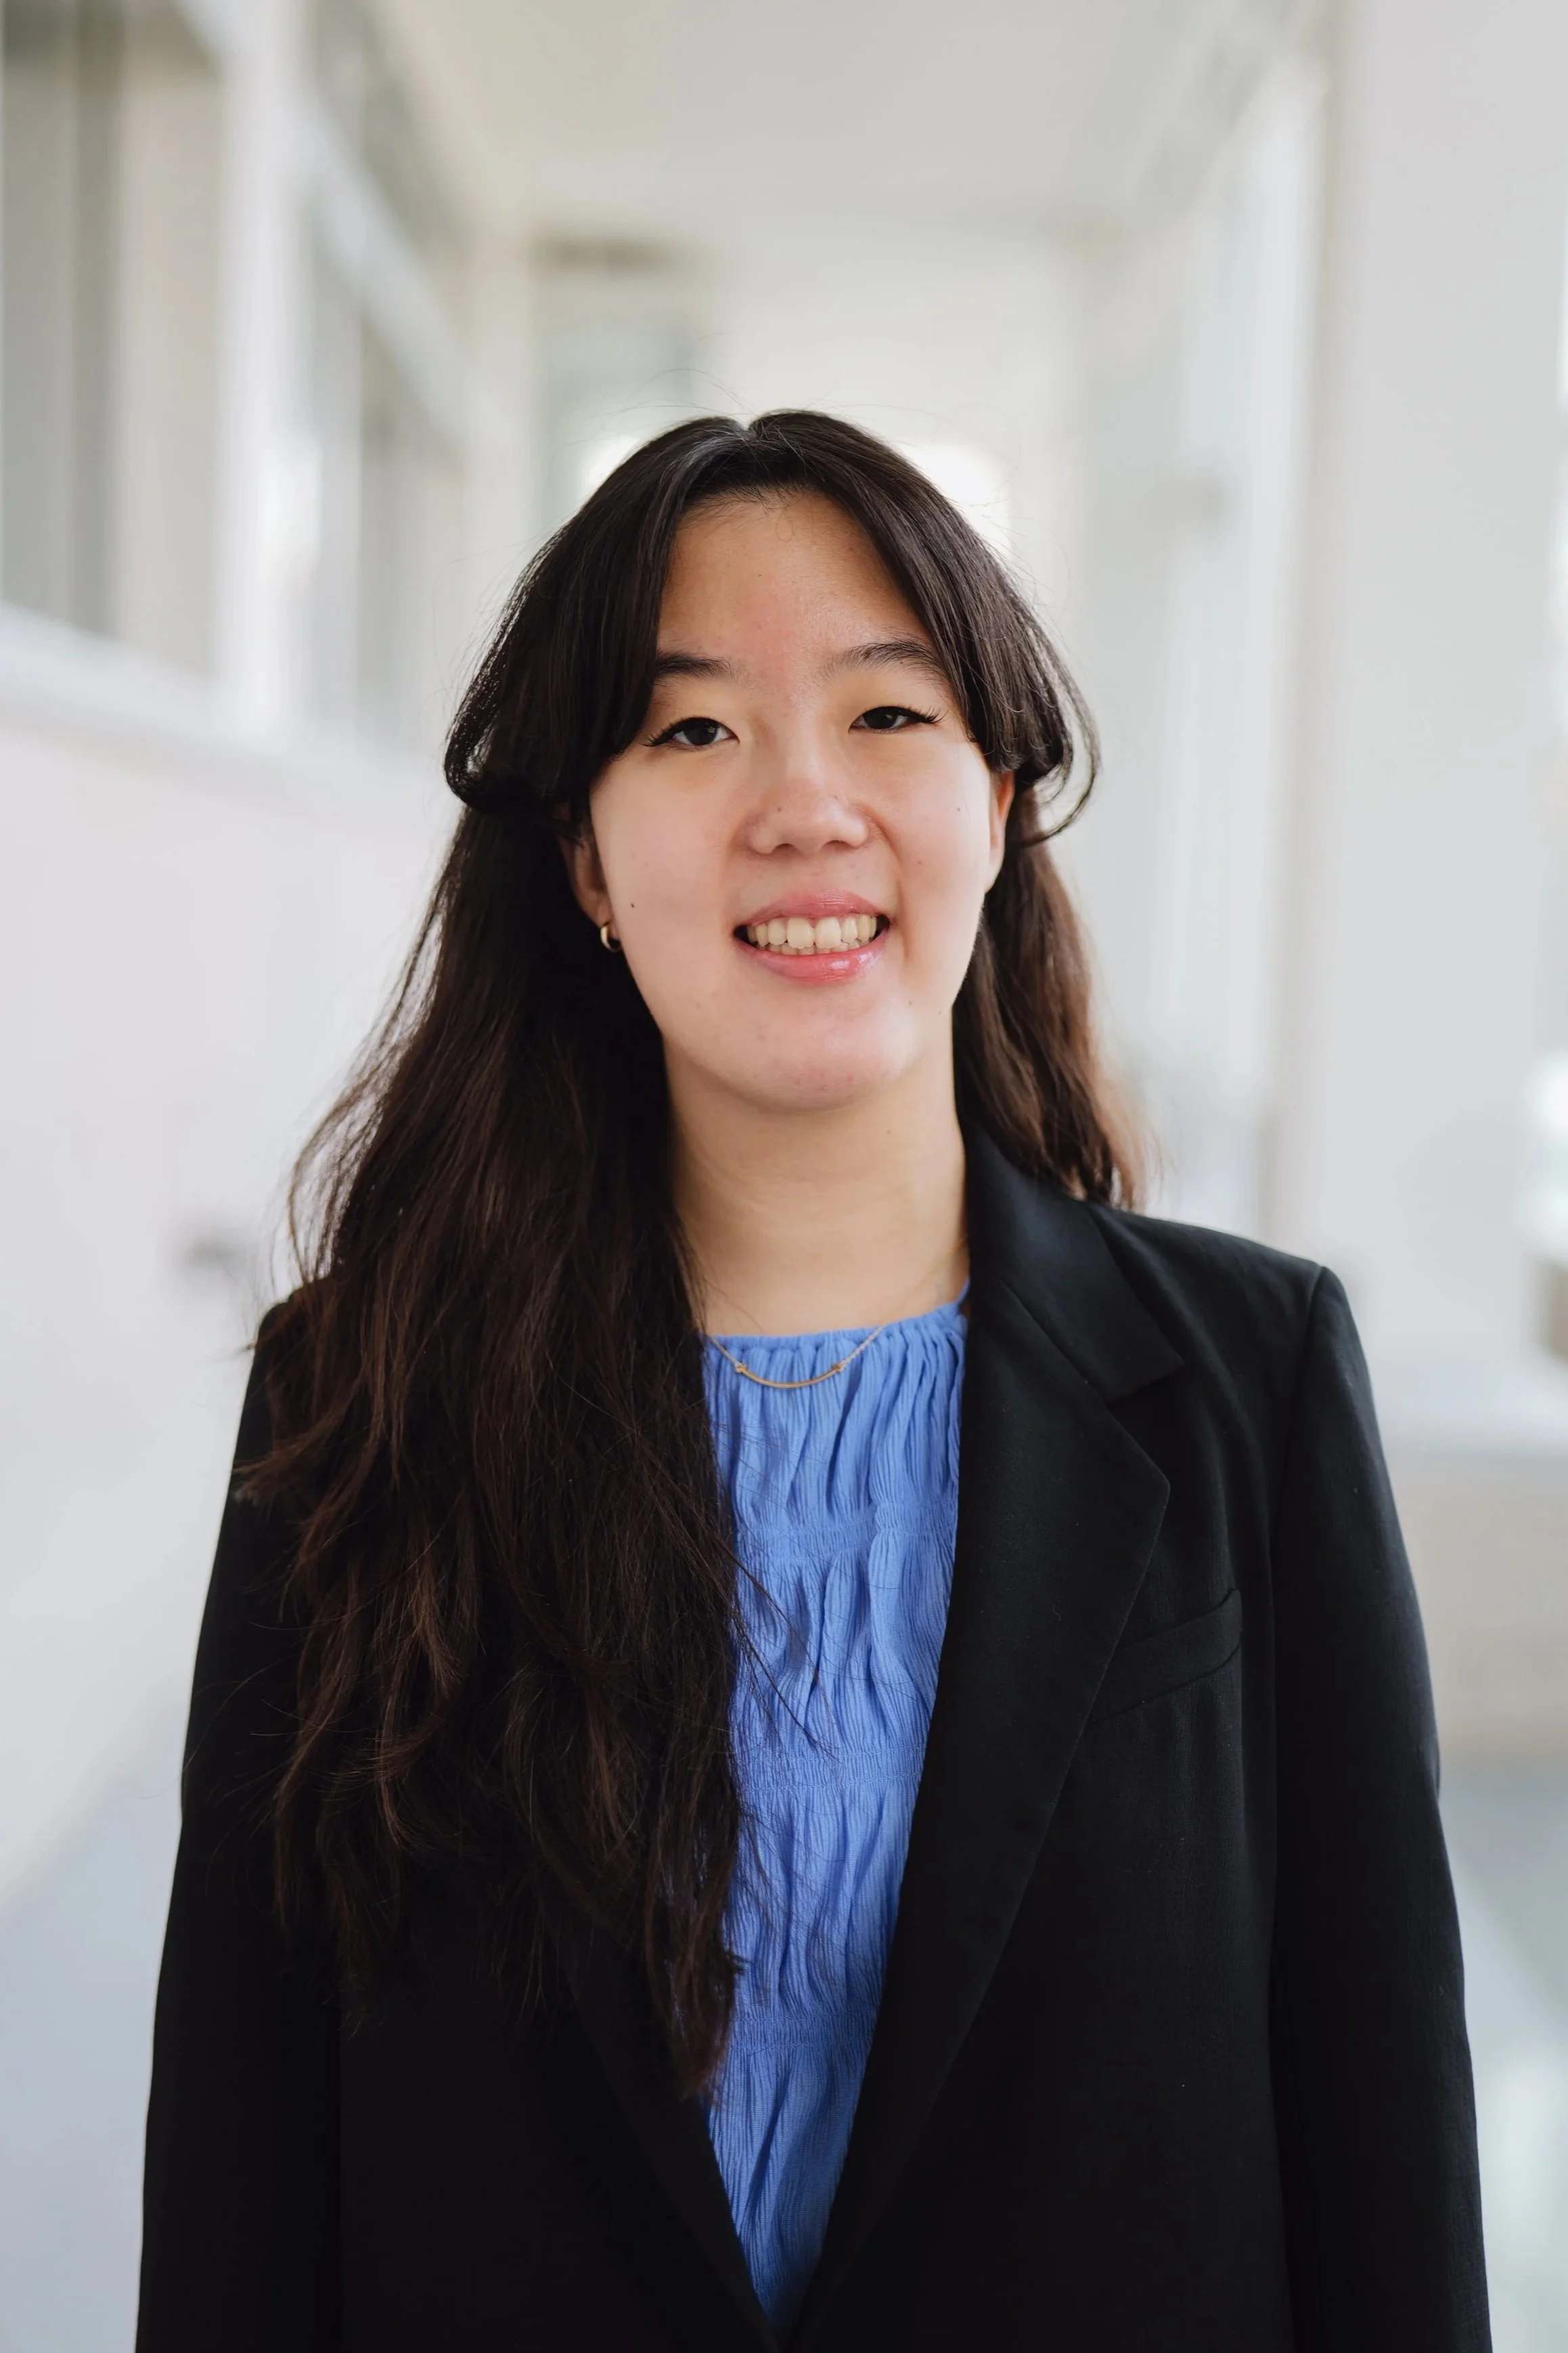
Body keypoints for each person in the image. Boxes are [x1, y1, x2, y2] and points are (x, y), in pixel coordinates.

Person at [137, 411, 1489, 2352]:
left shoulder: (1249, 1386)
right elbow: (241, 2166)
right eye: (693, 728)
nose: (802, 804)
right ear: (585, 858)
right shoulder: (362, 1395)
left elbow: (1382, 2147)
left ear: (998, 801)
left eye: (886, 713)